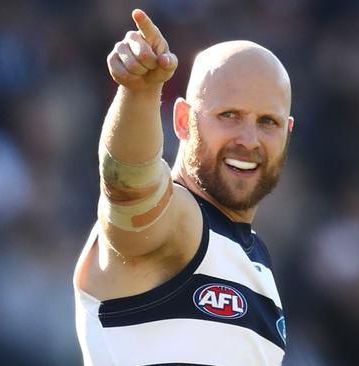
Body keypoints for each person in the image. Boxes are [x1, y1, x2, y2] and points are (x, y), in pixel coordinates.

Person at [73, 8, 294, 366]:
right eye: (229, 116)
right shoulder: (178, 223)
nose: (249, 140)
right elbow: (129, 186)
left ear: (287, 134)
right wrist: (140, 93)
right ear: (182, 121)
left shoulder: (257, 260)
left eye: (267, 122)